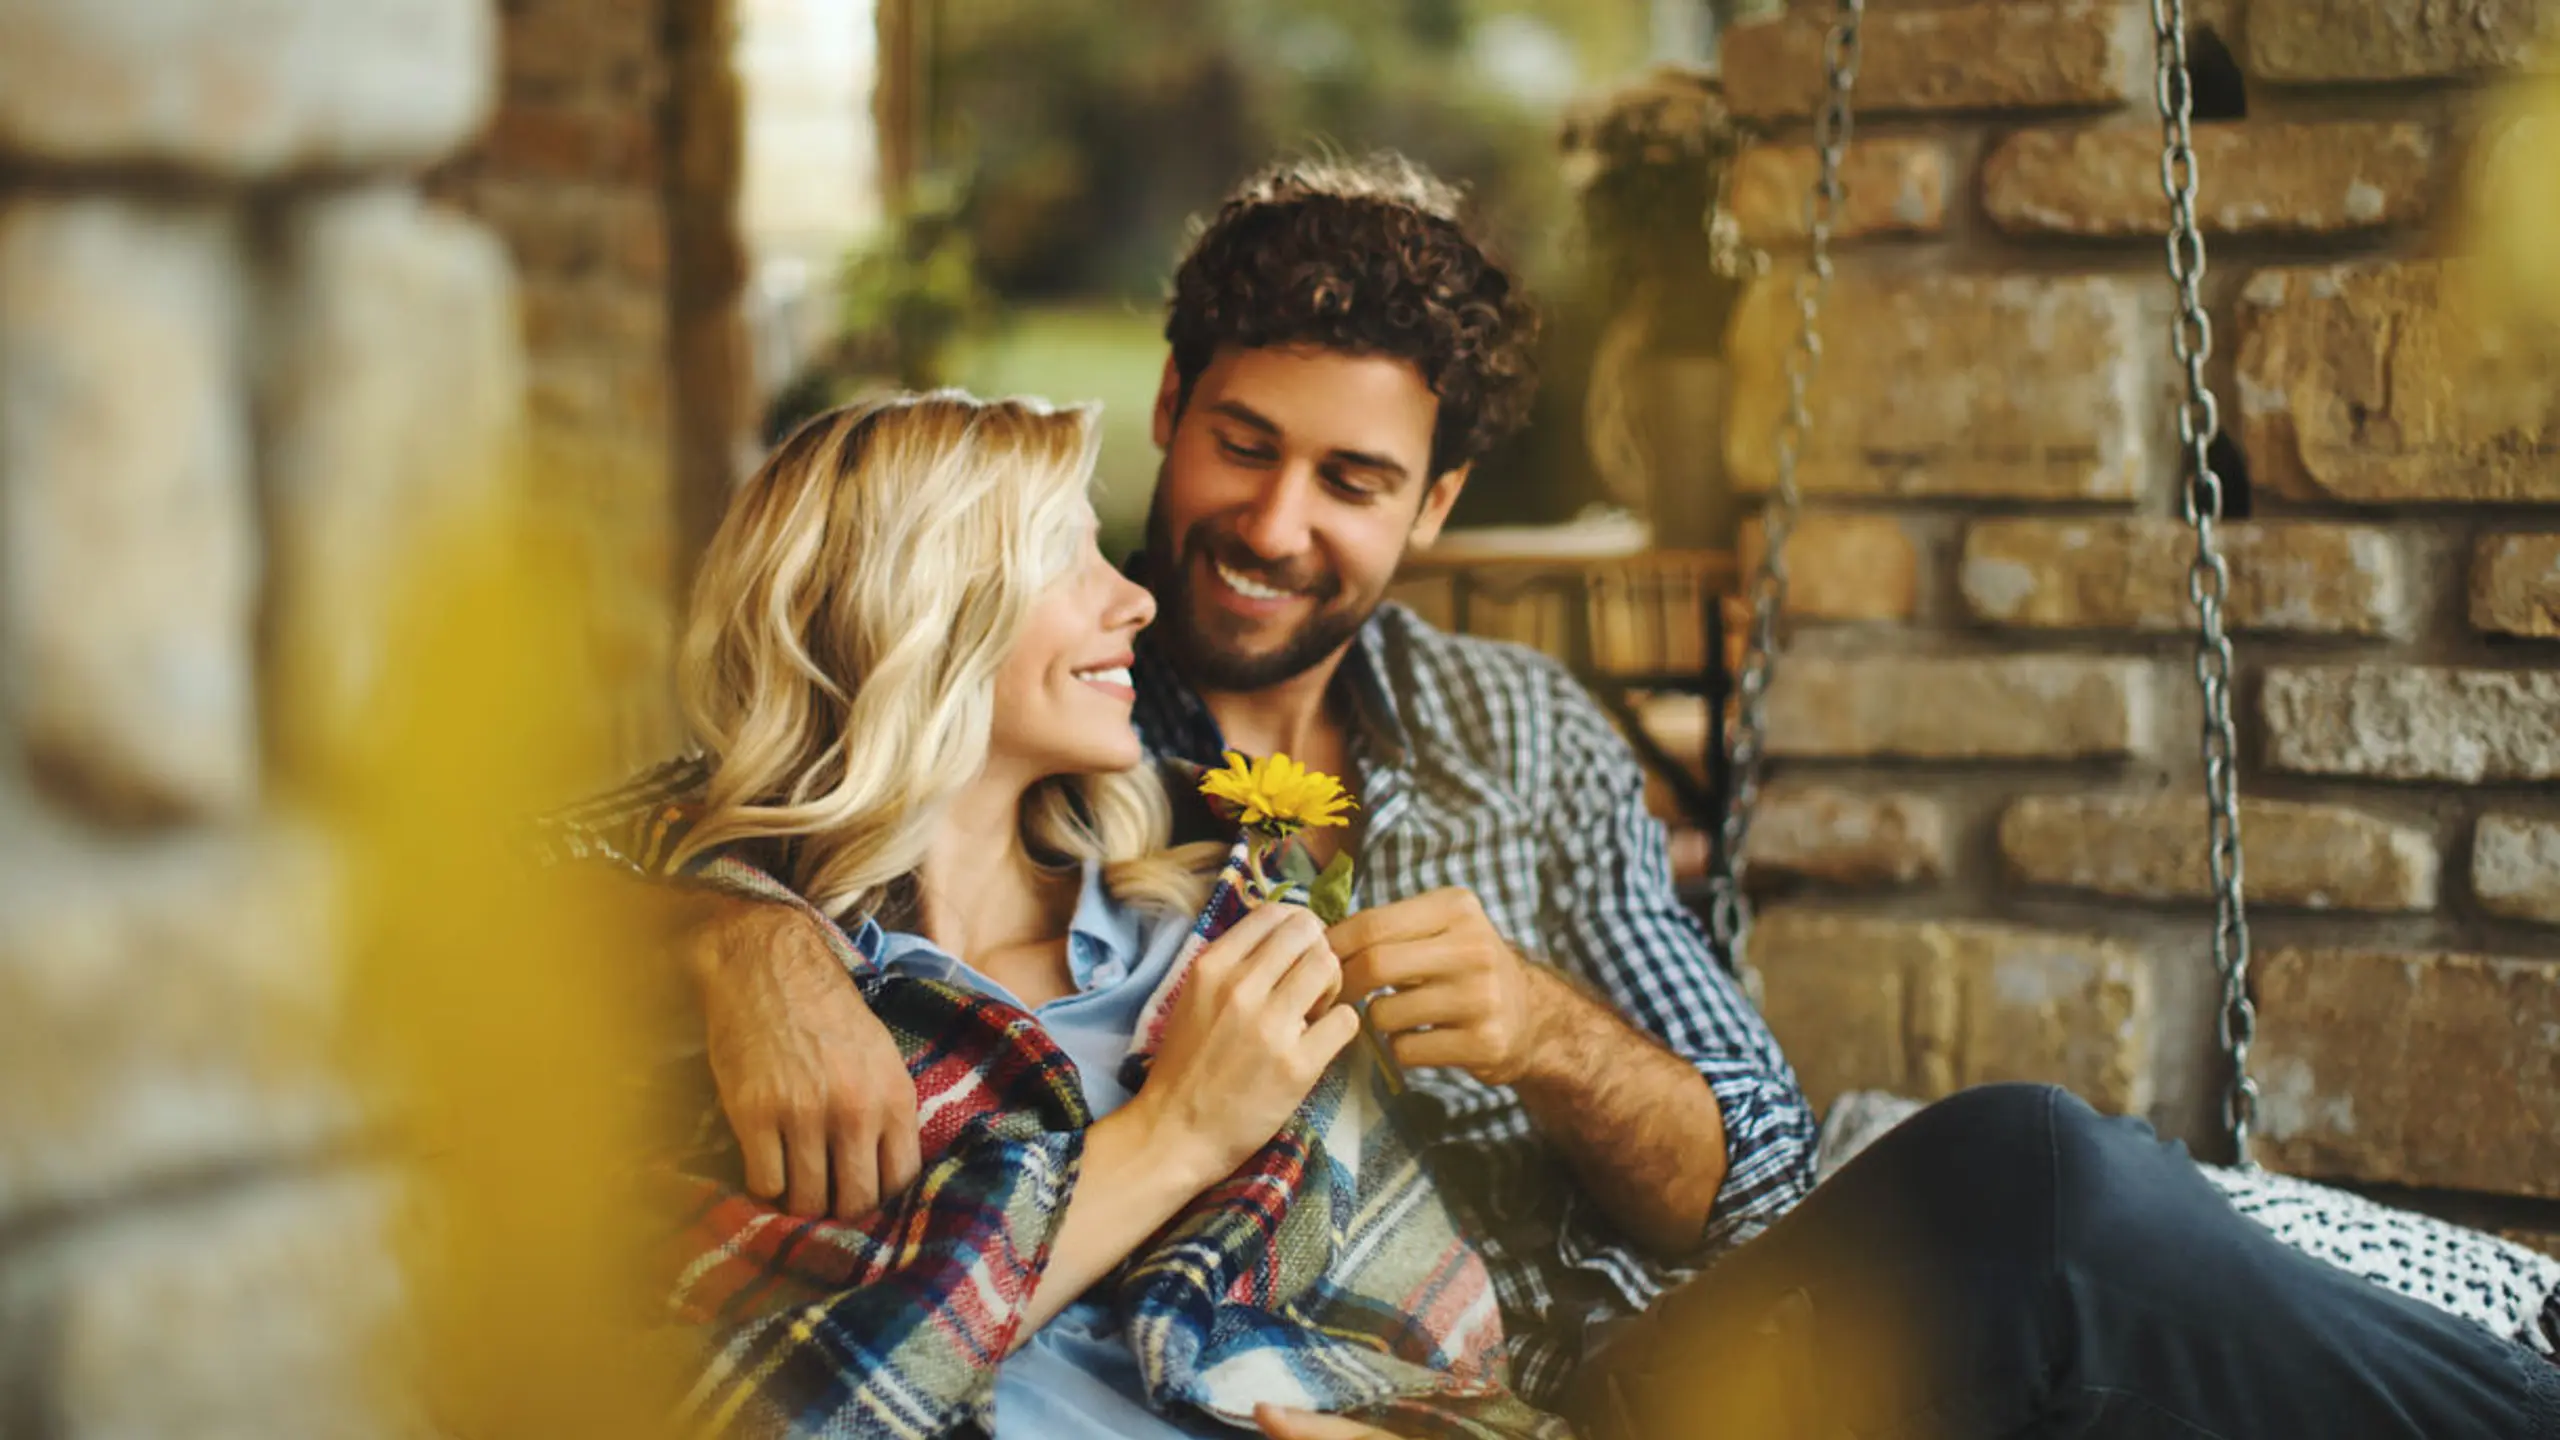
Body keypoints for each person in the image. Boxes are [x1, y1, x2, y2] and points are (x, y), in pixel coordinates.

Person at [559, 156, 2560, 1438]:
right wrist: (730, 926)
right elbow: (692, 804)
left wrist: (1546, 1037)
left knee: (2041, 1192)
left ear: (1430, 509)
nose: (1264, 527)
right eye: (1237, 447)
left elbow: (1753, 1164)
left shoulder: (1520, 739)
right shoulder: (1053, 725)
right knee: (2050, 1212)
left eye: (1347, 484)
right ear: (1166, 418)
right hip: (1376, 1390)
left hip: (1610, 1373)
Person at [627, 390, 1563, 1439]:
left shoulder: (1208, 939)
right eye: (1067, 558)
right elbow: (744, 1415)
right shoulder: (753, 1011)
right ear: (920, 605)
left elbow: (1456, 1366)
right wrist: (1176, 1134)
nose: (1136, 603)